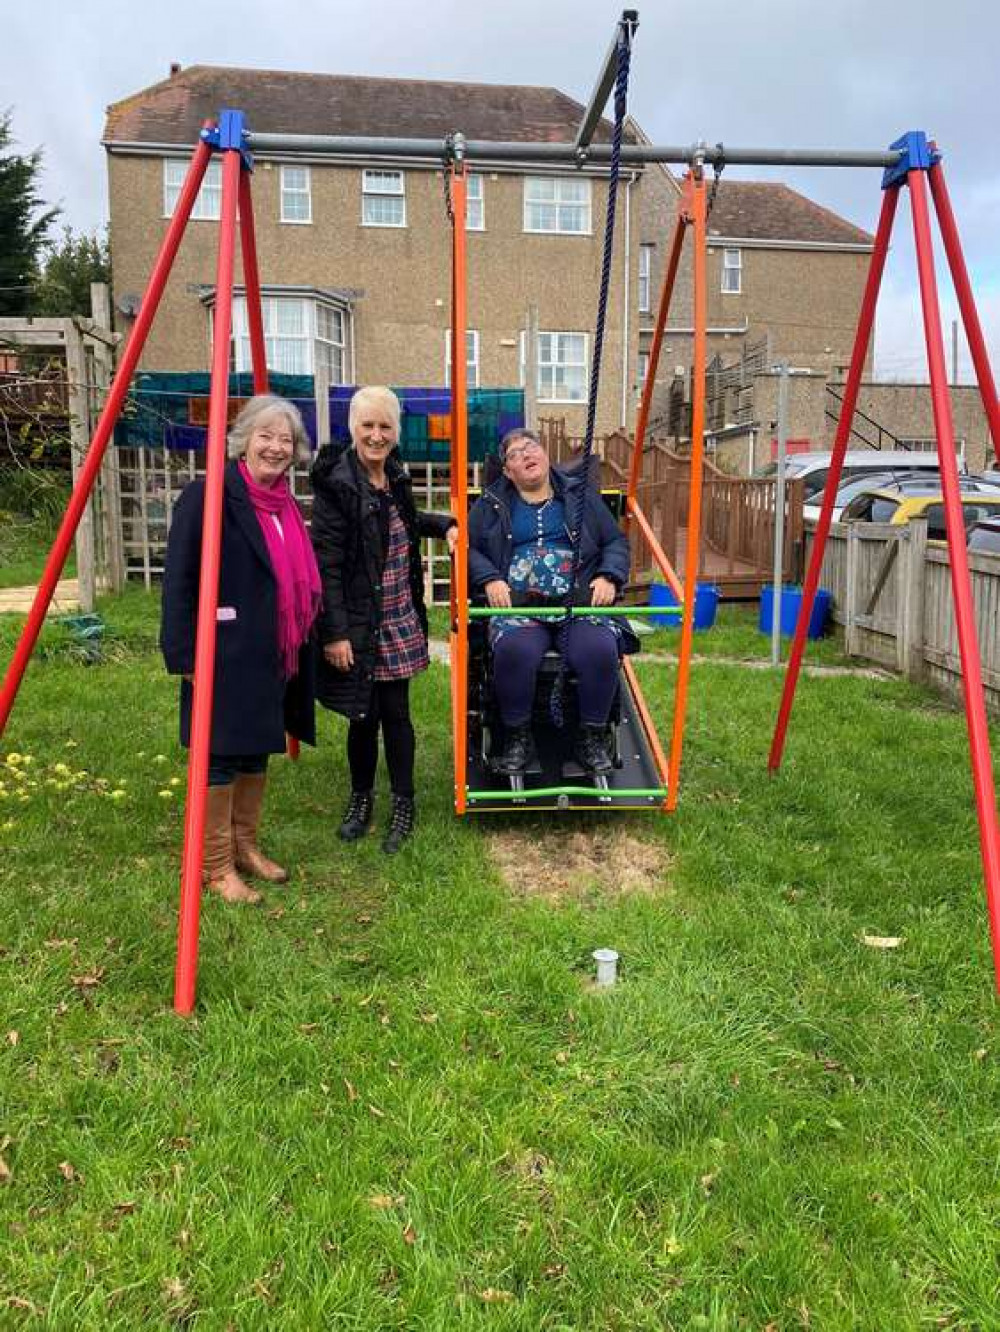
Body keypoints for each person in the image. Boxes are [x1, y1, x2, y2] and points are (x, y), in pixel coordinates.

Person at [160, 394, 320, 904]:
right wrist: (184, 656)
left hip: (269, 649)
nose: (275, 448)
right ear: (243, 439)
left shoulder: (287, 507)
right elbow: (179, 581)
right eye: (265, 436)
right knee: (219, 754)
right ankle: (214, 864)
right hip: (222, 650)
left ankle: (245, 846)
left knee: (255, 747)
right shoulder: (207, 496)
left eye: (285, 440)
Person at [311, 386, 457, 853]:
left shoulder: (394, 476)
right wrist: (335, 632)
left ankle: (404, 801)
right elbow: (327, 564)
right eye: (367, 426)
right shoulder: (338, 484)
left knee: (397, 714)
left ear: (396, 432)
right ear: (352, 428)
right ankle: (360, 798)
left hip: (396, 614)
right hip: (358, 621)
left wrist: (446, 525)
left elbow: (403, 524)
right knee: (362, 715)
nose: (376, 435)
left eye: (385, 426)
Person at [467, 427, 632, 775]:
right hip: (522, 605)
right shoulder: (490, 505)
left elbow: (615, 542)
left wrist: (608, 576)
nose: (525, 455)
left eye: (531, 448)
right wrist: (490, 578)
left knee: (600, 649)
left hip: (579, 601)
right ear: (508, 471)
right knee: (514, 651)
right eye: (514, 454)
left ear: (545, 455)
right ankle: (516, 737)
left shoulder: (580, 497)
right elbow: (468, 549)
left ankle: (591, 736)